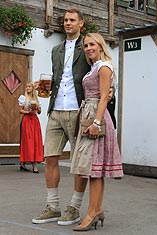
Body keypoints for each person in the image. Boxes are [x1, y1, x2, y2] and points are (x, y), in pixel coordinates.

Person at [32, 8, 115, 225]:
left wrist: (110, 91)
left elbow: (100, 72)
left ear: (81, 24)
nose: (67, 23)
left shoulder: (87, 46)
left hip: (79, 112)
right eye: (65, 20)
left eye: (72, 20)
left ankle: (74, 207)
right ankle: (52, 206)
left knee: (79, 163)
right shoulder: (56, 50)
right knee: (50, 158)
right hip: (56, 110)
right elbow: (59, 77)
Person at [70, 32, 124, 231]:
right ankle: (97, 209)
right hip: (90, 113)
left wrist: (97, 123)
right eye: (85, 46)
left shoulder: (104, 67)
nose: (89, 48)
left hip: (97, 116)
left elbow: (103, 98)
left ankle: (92, 213)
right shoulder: (94, 67)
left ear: (101, 46)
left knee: (93, 169)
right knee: (94, 170)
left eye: (92, 44)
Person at [18, 82, 44, 173]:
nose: (27, 88)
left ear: (33, 88)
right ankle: (23, 162)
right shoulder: (23, 98)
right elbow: (20, 110)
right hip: (26, 120)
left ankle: (33, 164)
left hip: (35, 121)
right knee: (27, 141)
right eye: (26, 86)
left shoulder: (36, 99)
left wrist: (37, 108)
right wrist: (27, 112)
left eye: (29, 86)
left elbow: (40, 112)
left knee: (35, 141)